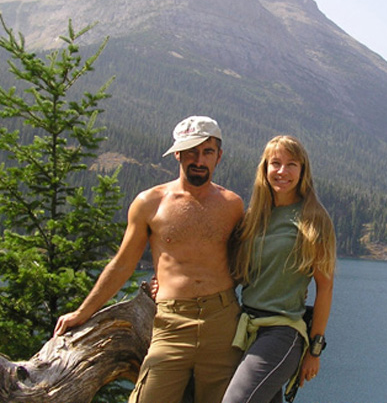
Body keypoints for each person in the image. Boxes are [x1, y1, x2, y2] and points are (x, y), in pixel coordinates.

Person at [54, 115, 244, 403]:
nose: (199, 160)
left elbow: (246, 261)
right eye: (191, 151)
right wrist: (82, 313)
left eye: (207, 152)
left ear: (219, 156)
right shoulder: (150, 203)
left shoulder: (232, 205)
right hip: (171, 322)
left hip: (223, 320)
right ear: (177, 153)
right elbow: (122, 264)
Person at [222, 135, 336, 403]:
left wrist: (315, 350)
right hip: (245, 328)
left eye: (291, 164)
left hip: (282, 333)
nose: (282, 171)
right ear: (265, 168)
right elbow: (233, 273)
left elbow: (325, 287)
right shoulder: (254, 216)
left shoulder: (313, 219)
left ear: (303, 170)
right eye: (276, 163)